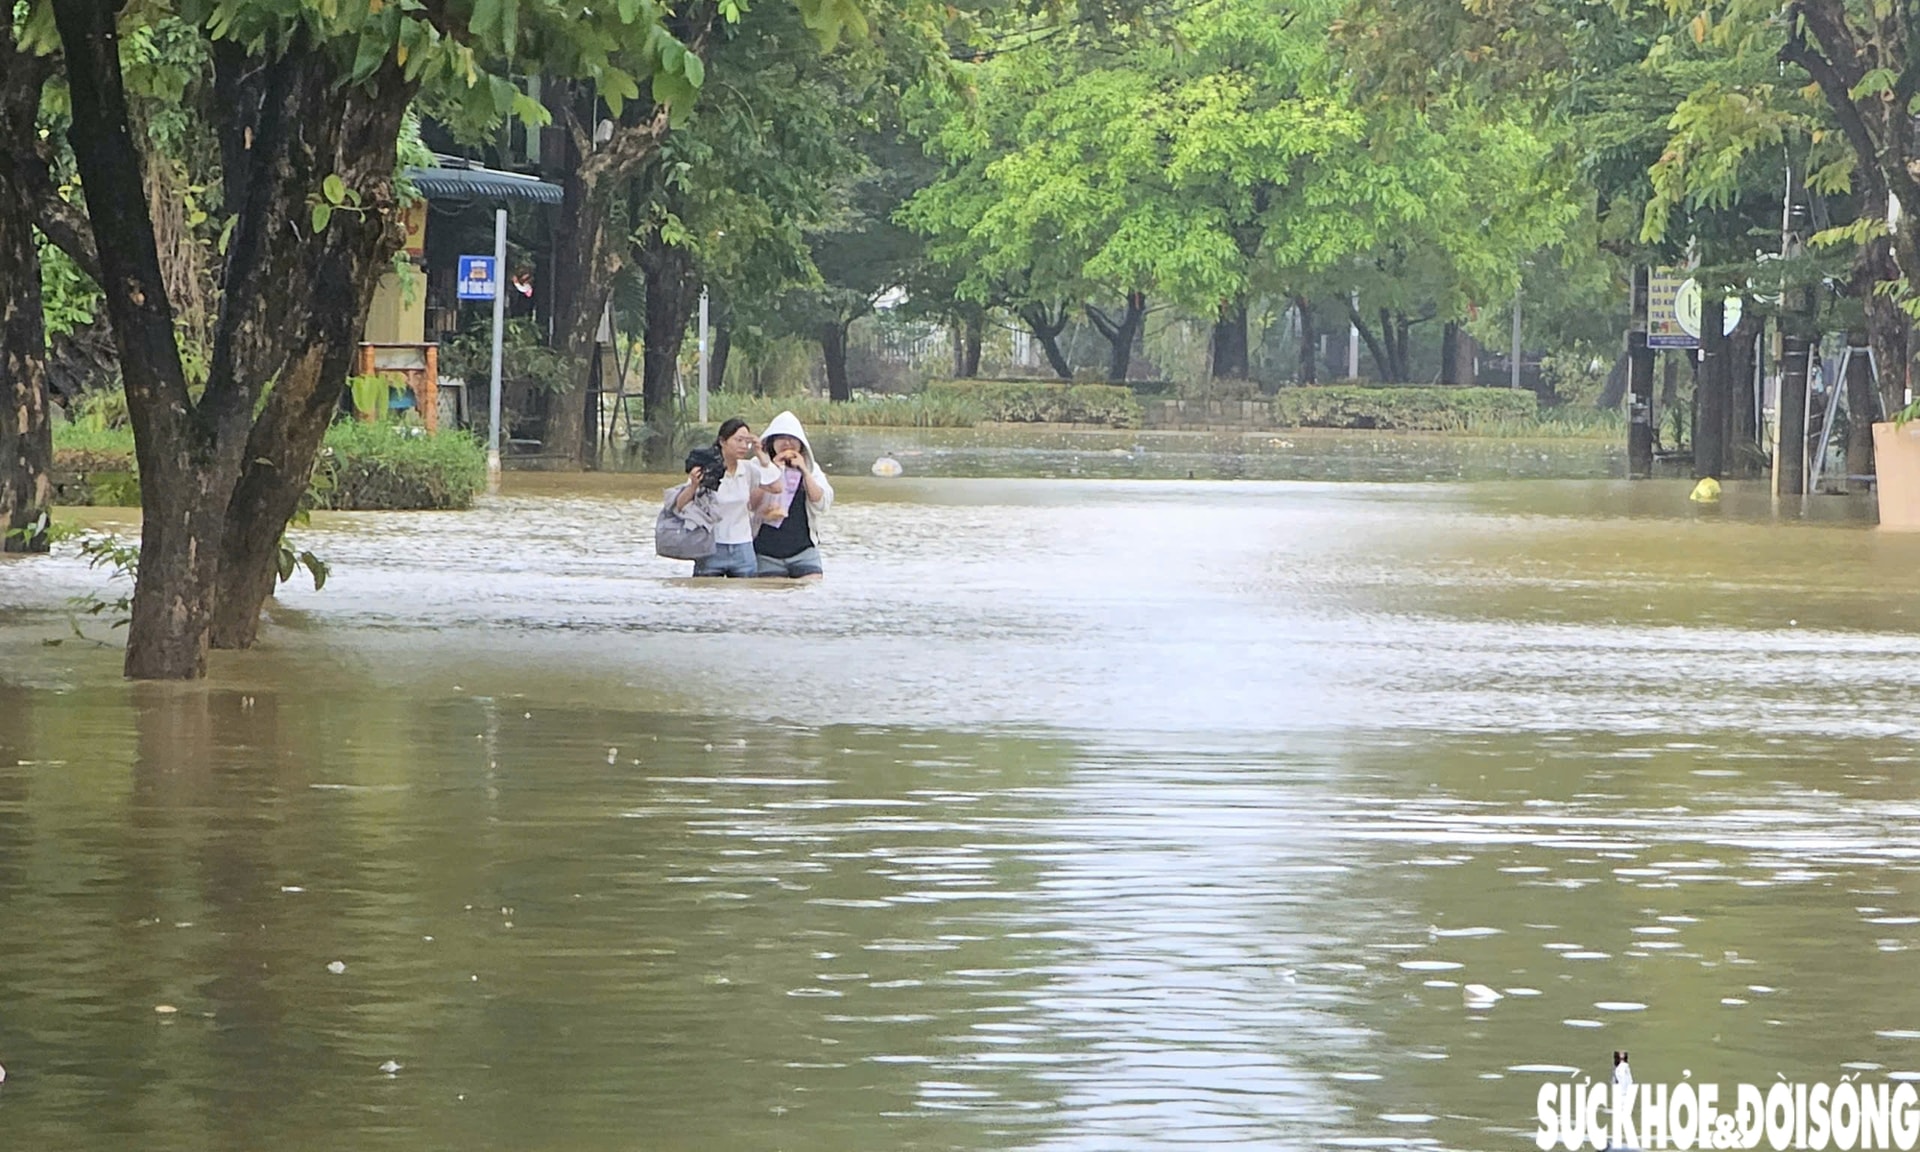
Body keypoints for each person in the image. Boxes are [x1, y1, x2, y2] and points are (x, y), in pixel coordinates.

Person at [674, 417, 781, 578]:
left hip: (743, 547)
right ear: (723, 441)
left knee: (743, 598)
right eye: (738, 440)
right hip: (711, 546)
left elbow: (776, 487)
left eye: (747, 442)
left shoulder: (748, 470)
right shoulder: (708, 469)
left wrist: (762, 456)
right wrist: (694, 485)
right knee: (708, 596)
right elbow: (680, 506)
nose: (744, 446)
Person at [753, 411, 833, 579]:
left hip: (802, 550)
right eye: (781, 437)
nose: (787, 443)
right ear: (771, 441)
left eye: (792, 438)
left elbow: (821, 502)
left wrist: (804, 471)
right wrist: (771, 469)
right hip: (766, 552)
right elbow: (750, 504)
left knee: (809, 593)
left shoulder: (811, 468)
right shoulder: (757, 466)